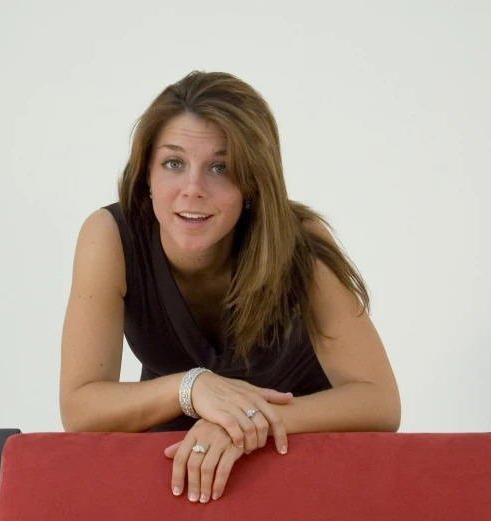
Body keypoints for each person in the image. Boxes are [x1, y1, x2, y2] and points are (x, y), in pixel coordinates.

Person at [59, 71, 400, 504]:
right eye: (173, 163)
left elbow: (380, 402)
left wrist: (241, 419)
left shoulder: (301, 242)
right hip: (179, 467)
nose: (192, 190)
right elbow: (80, 407)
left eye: (220, 168)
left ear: (252, 181)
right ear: (146, 172)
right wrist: (193, 387)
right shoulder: (108, 237)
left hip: (299, 454)